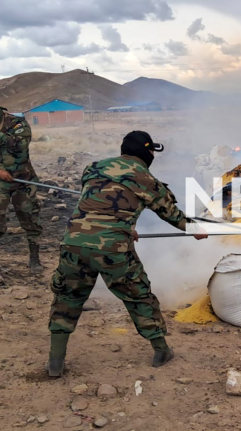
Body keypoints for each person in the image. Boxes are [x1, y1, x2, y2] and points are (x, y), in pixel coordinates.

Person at [47, 131, 208, 377]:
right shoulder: (146, 179)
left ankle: (55, 363)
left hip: (73, 243)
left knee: (67, 298)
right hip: (113, 249)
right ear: (146, 152)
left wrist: (126, 226)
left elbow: (99, 202)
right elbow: (170, 213)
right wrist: (196, 230)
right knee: (138, 295)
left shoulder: (93, 168)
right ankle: (161, 350)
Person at [0, 105, 43, 273]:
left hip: (22, 180)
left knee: (30, 219)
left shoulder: (18, 123)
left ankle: (34, 259)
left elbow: (20, 145)